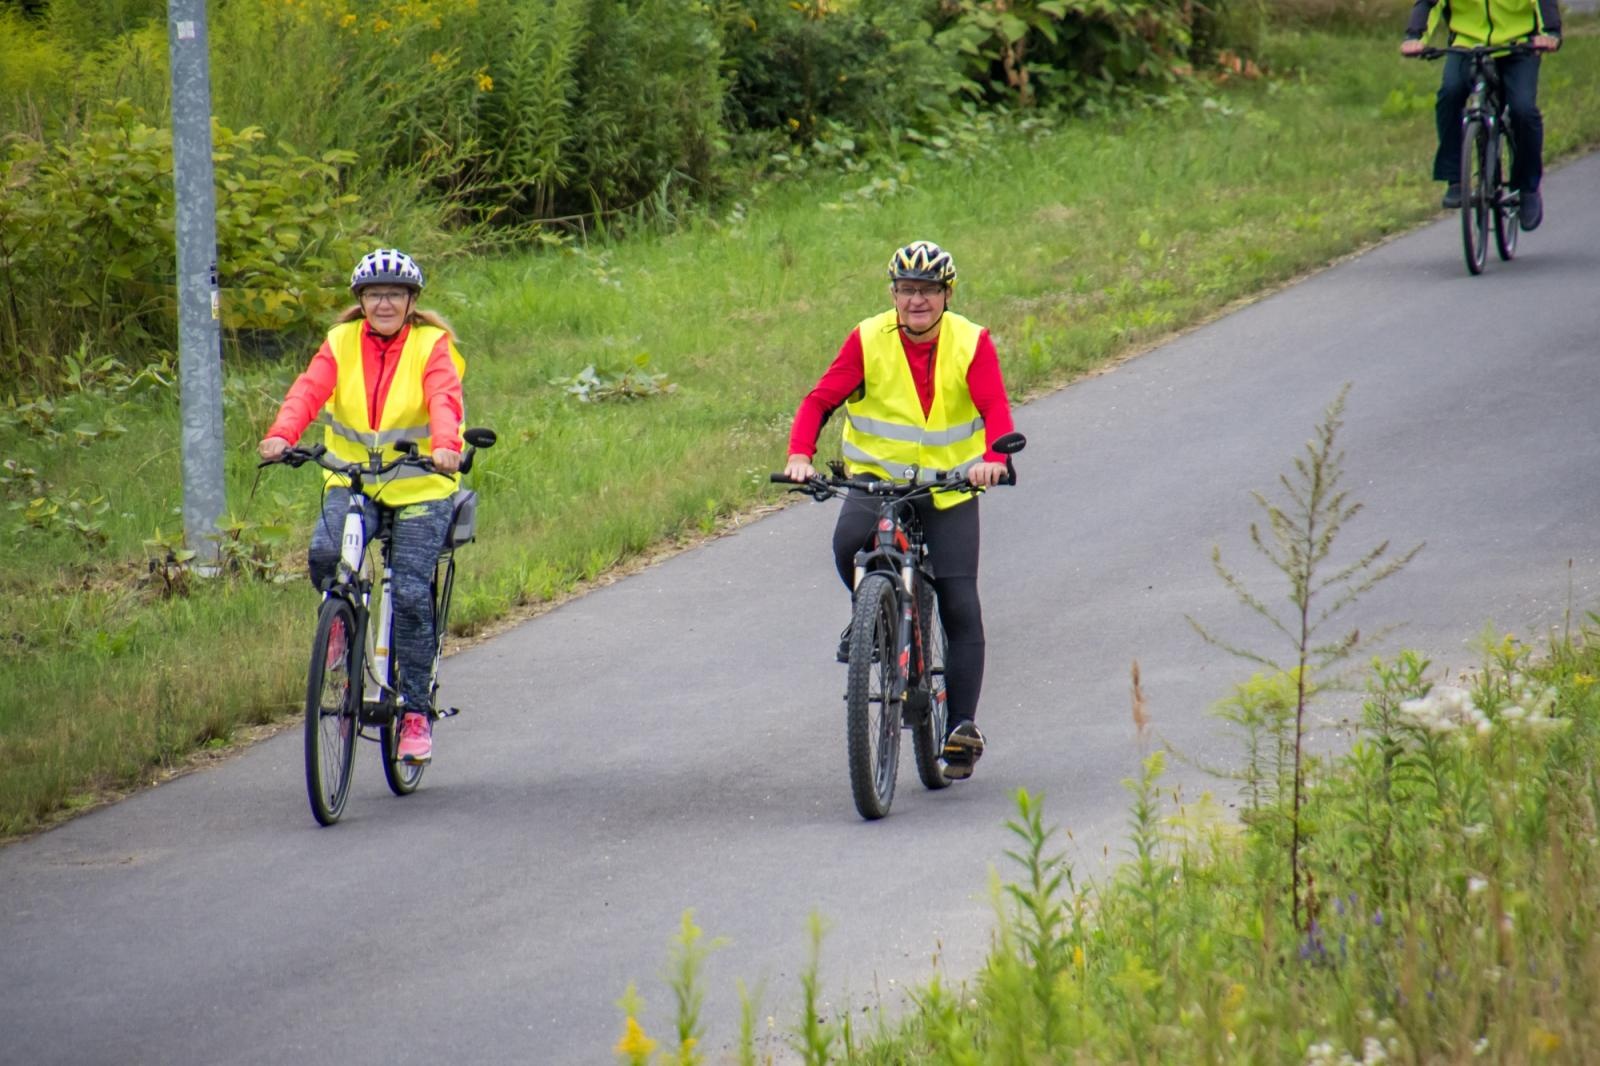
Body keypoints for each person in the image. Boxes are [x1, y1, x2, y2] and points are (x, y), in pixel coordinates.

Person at [783, 240, 1017, 781]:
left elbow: (995, 409)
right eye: (907, 290)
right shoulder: (868, 338)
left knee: (960, 600)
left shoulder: (970, 341)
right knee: (848, 545)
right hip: (878, 479)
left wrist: (993, 458)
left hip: (950, 486)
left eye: (928, 291)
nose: (917, 300)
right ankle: (873, 622)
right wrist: (800, 455)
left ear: (946, 295)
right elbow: (819, 401)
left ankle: (959, 727)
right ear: (893, 293)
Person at [259, 249, 465, 765]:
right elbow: (309, 391)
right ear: (361, 301)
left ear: (412, 301)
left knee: (413, 593)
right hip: (354, 480)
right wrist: (282, 435)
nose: (385, 303)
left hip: (421, 487)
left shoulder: (431, 345)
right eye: (375, 294)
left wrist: (446, 446)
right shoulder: (340, 342)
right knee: (326, 554)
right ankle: (339, 628)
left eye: (395, 294)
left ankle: (415, 713)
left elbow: (444, 397)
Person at [1401, 0, 1560, 231]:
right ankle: (1454, 178)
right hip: (1467, 46)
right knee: (1449, 94)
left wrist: (1550, 33)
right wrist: (1414, 37)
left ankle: (1527, 187)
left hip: (1518, 47)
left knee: (1523, 110)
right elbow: (1429, 3)